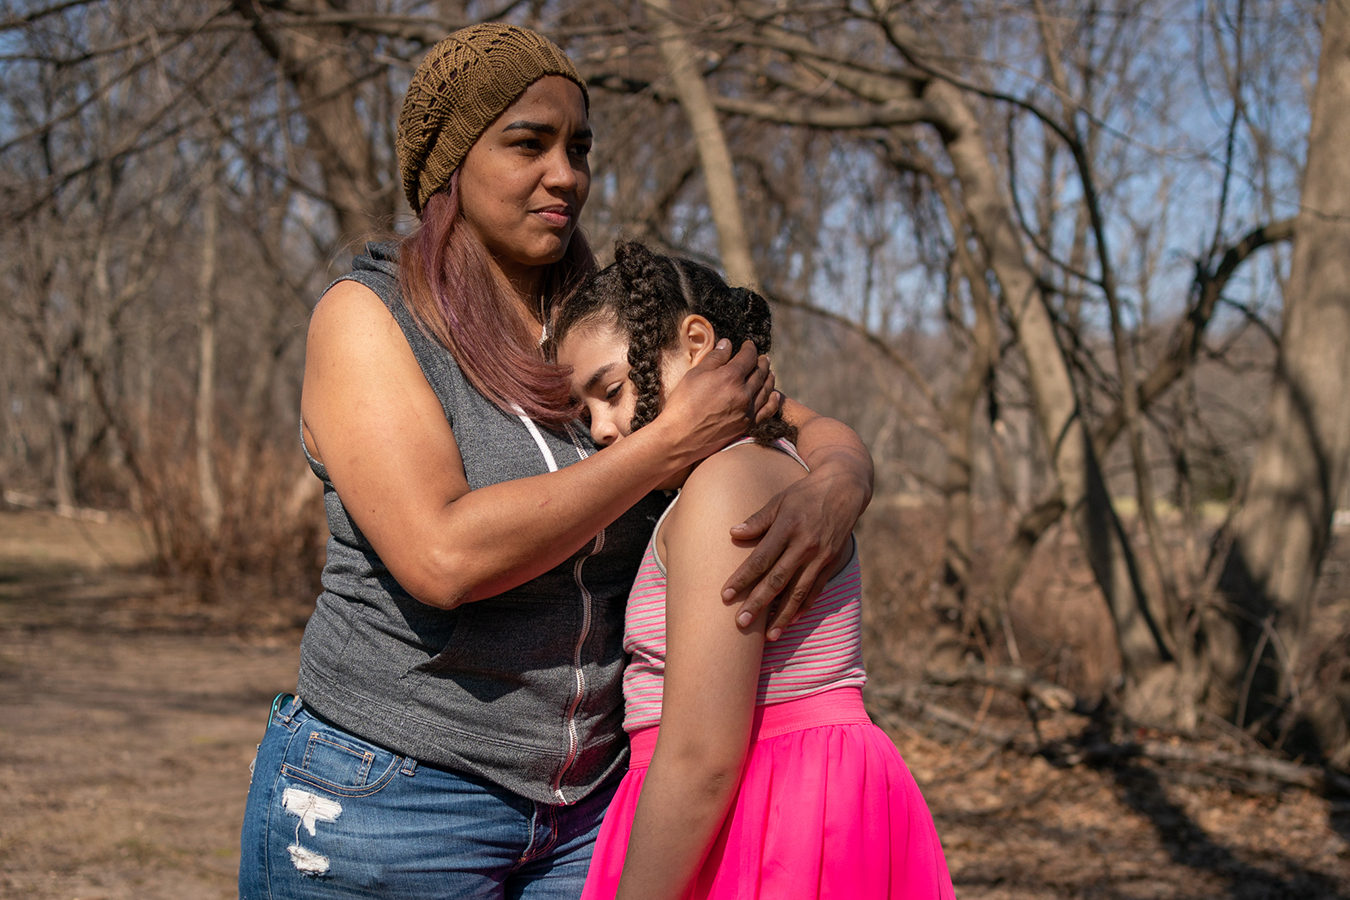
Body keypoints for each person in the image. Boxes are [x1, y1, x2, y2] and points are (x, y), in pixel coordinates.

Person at [237, 23, 875, 900]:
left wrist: (843, 481)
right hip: (395, 798)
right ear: (450, 168)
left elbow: (793, 424)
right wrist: (661, 446)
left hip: (592, 810)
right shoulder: (369, 317)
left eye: (579, 147)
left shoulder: (606, 326)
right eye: (528, 143)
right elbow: (442, 558)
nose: (566, 173)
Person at [550, 242, 955, 900]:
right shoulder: (758, 467)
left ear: (696, 341)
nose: (598, 429)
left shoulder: (726, 486)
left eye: (613, 390)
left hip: (761, 817)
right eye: (583, 412)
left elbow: (703, 759)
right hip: (788, 802)